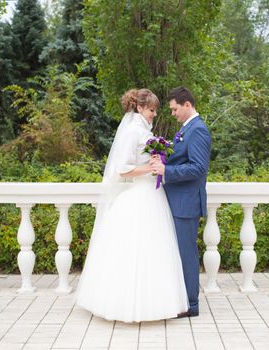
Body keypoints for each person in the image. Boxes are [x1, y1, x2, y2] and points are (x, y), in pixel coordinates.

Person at [75, 88, 188, 323]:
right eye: (151, 110)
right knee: (134, 250)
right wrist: (151, 167)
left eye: (155, 111)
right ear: (139, 108)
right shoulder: (132, 132)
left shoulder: (144, 132)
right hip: (139, 195)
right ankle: (126, 304)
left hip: (153, 196)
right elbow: (122, 169)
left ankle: (155, 303)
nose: (154, 115)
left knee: (154, 251)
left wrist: (158, 159)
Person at [151, 87, 211, 318]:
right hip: (177, 201)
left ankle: (191, 304)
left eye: (175, 109)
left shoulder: (198, 130)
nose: (173, 113)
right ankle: (180, 299)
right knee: (177, 253)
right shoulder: (187, 129)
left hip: (186, 204)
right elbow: (182, 157)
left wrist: (166, 170)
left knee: (186, 253)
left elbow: (198, 168)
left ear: (187, 105)